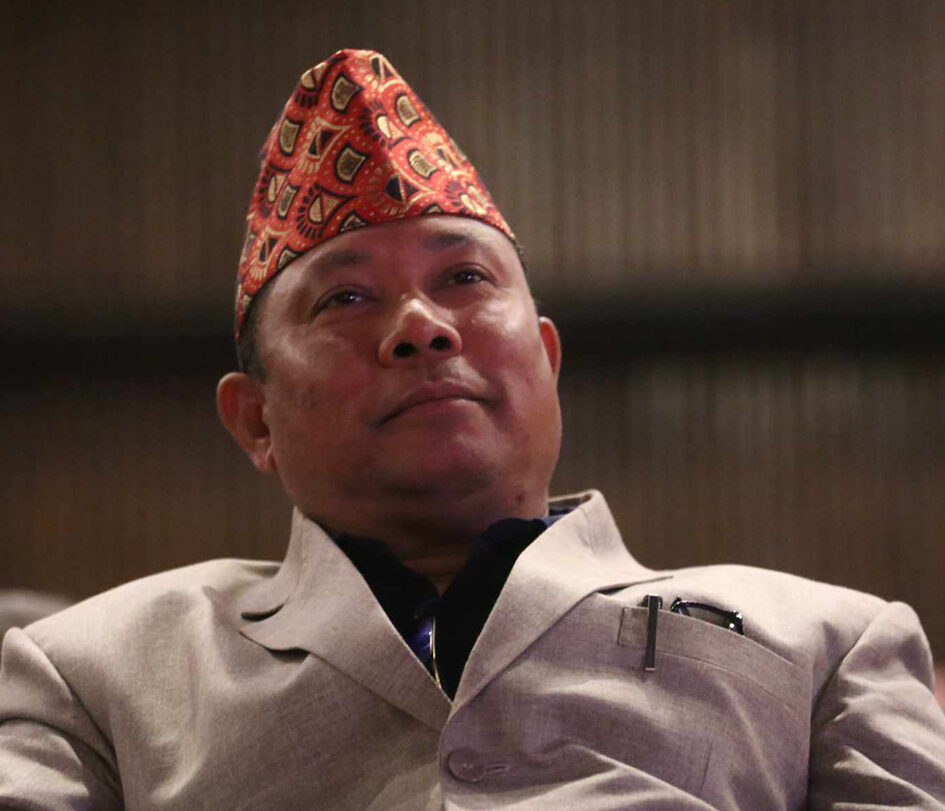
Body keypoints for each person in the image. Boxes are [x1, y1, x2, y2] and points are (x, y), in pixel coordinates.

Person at [1, 48, 944, 810]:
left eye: (464, 279)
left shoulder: (827, 642)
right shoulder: (94, 670)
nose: (421, 326)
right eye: (346, 297)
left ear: (546, 359)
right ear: (255, 419)